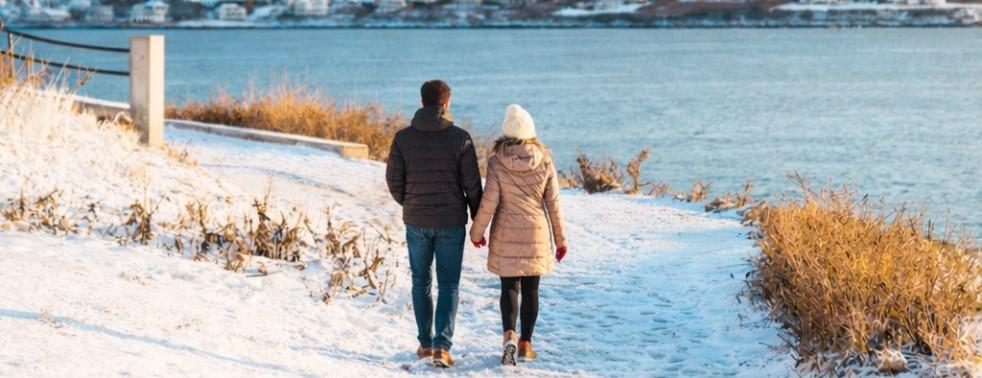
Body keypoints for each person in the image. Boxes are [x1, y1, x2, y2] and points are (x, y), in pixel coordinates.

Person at [385, 79, 483, 369]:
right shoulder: (461, 138)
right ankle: (442, 347)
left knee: (420, 281)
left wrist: (411, 202)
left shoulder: (403, 138)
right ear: (447, 103)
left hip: (416, 220)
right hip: (451, 221)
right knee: (449, 283)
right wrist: (478, 218)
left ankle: (425, 344)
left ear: (422, 102)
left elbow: (393, 180)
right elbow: (473, 185)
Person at [469, 104, 567, 366]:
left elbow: (489, 201)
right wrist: (561, 240)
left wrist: (477, 232)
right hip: (535, 232)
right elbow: (554, 205)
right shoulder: (544, 161)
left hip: (505, 231)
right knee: (532, 289)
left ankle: (508, 337)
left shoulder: (497, 162)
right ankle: (526, 343)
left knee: (509, 288)